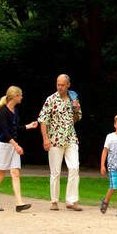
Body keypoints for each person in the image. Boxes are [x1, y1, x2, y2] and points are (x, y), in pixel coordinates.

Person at [0, 86, 38, 212]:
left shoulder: (15, 110)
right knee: (0, 174)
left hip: (12, 145)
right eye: (20, 95)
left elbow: (14, 128)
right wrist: (16, 145)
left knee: (15, 173)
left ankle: (19, 203)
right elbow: (5, 131)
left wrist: (29, 126)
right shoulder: (4, 111)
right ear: (15, 96)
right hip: (3, 146)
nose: (22, 97)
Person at [38, 73, 83, 211]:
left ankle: (71, 200)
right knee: (55, 171)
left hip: (71, 138)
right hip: (55, 140)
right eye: (58, 84)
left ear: (68, 85)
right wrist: (45, 139)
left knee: (74, 168)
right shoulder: (51, 99)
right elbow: (43, 120)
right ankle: (54, 201)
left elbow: (76, 119)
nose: (60, 87)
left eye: (63, 85)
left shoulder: (73, 98)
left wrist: (75, 109)